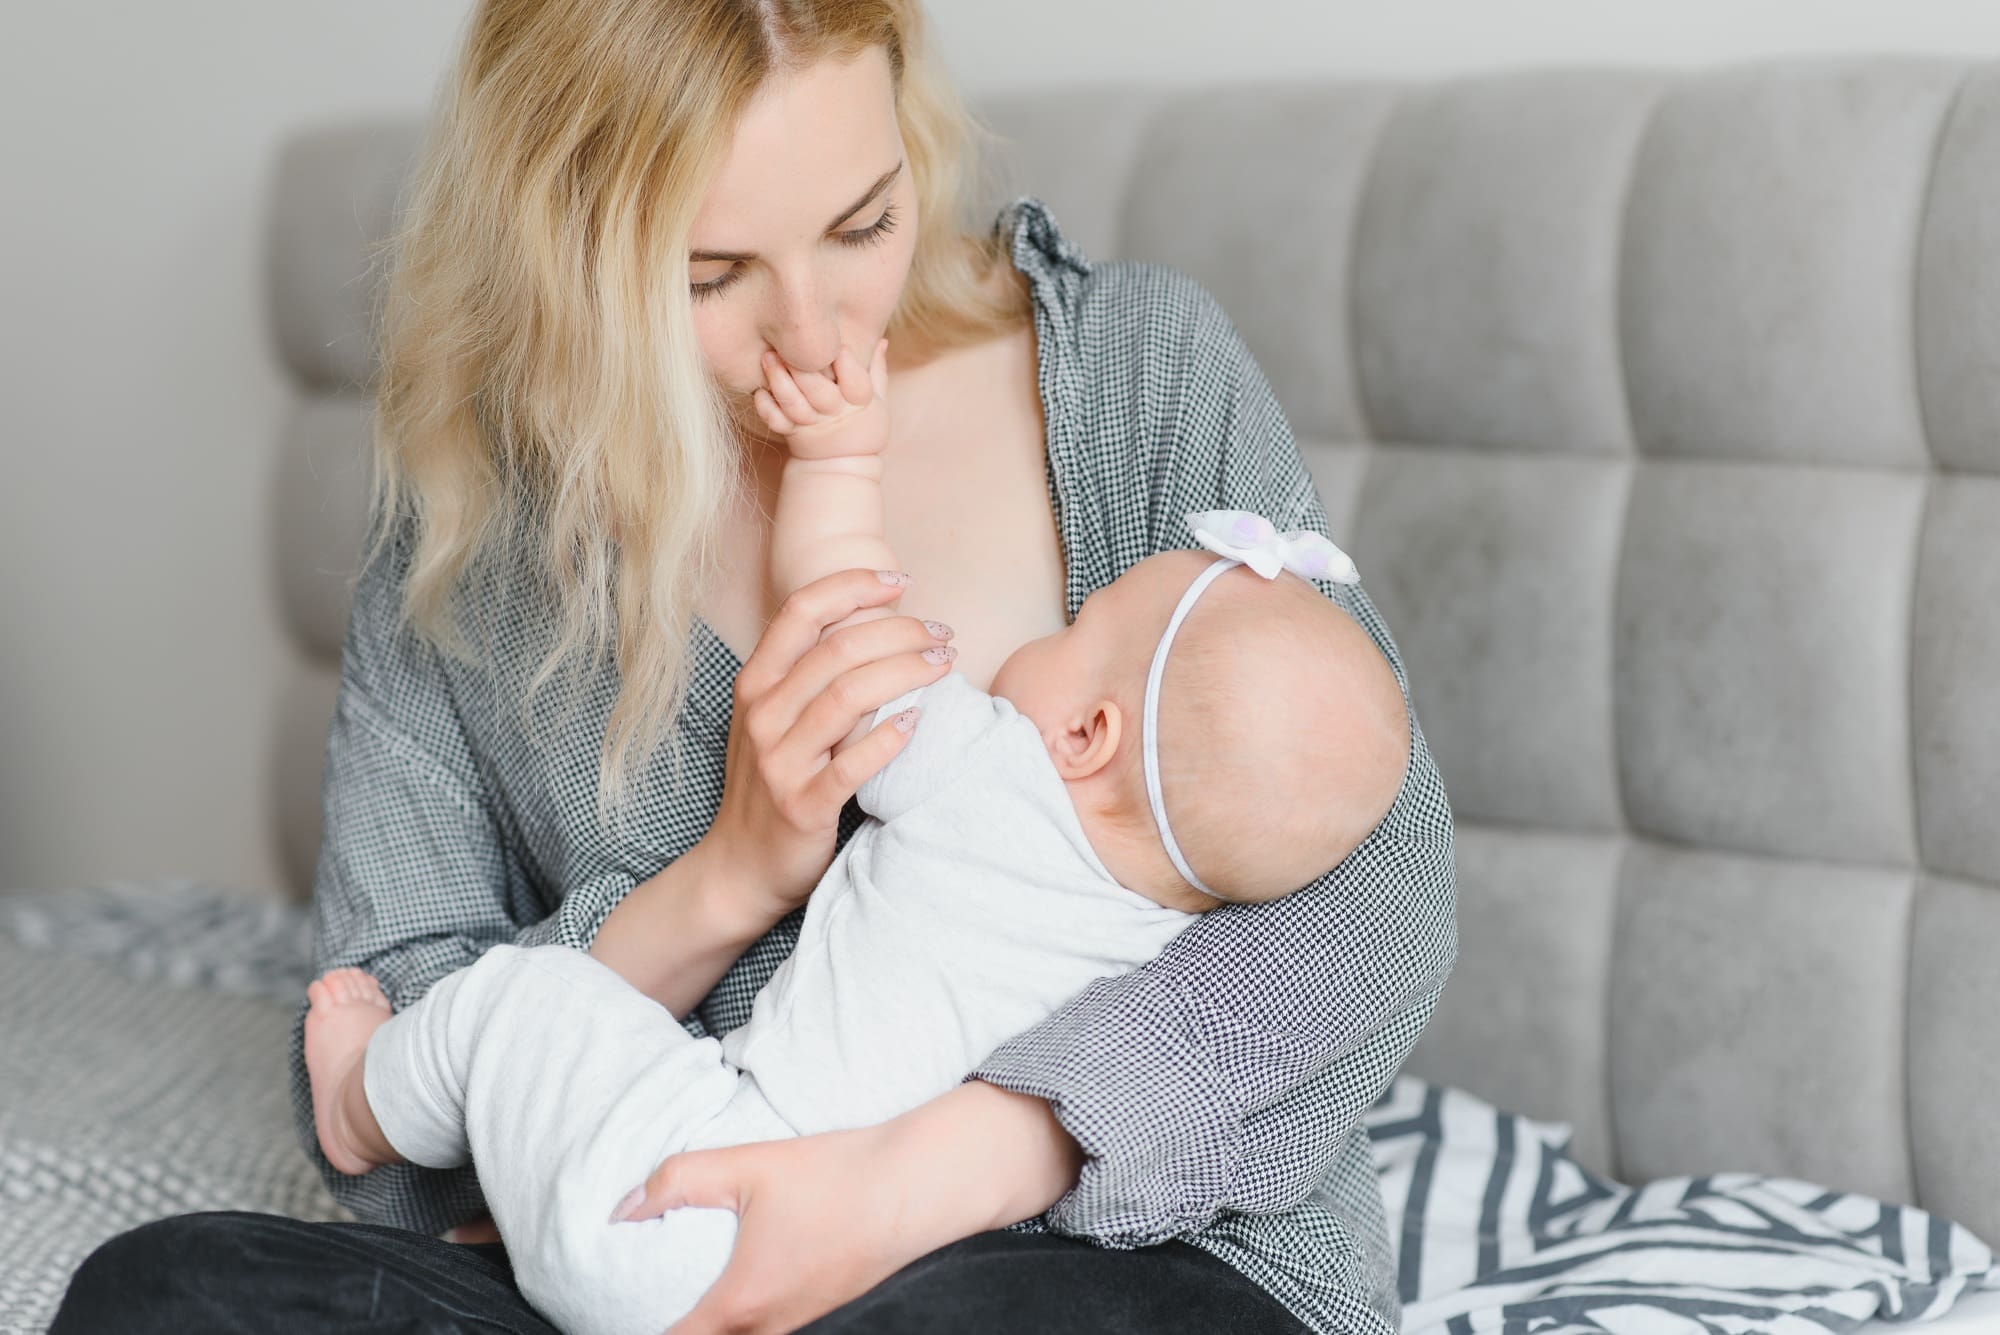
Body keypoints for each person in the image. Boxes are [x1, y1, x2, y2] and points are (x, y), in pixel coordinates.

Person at [49, 1, 1457, 1332]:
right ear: (563, 243)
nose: (817, 329)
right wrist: (727, 877)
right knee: (159, 1291)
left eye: (865, 222)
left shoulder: (1140, 368)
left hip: (1100, 1261)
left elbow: (1377, 886)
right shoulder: (471, 528)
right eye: (709, 272)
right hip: (678, 1243)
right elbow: (393, 1107)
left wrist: (923, 1178)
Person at [294, 328, 1412, 1335]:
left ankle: (362, 1103)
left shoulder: (992, 777)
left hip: (711, 1193)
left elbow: (839, 623)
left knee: (518, 1001)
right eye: (720, 273)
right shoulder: (1164, 930)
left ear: (1084, 732)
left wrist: (834, 465)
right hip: (840, 1258)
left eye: (1084, 626)